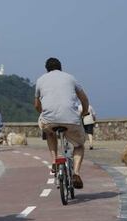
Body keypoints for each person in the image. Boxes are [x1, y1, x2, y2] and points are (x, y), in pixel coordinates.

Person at [34, 57, 89, 189]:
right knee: (79, 145)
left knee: (49, 132)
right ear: (60, 67)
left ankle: (54, 160)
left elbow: (36, 105)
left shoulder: (40, 80)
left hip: (49, 120)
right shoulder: (71, 78)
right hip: (72, 120)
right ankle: (76, 173)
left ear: (47, 69)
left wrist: (44, 113)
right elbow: (84, 99)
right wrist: (84, 112)